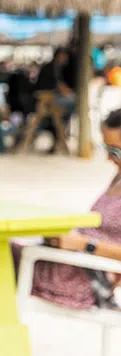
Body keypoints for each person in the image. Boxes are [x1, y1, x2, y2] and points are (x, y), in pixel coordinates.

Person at [30, 109, 121, 310]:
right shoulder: (118, 176)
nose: (109, 158)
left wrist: (85, 244)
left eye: (115, 151)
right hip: (71, 261)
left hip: (87, 278)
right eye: (105, 149)